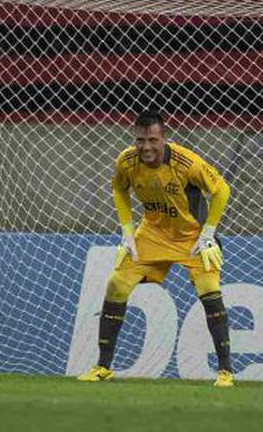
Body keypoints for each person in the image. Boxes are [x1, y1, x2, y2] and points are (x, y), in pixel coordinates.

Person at [77, 110, 233, 387]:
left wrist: (208, 234)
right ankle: (102, 367)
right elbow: (118, 189)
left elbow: (222, 190)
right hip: (152, 234)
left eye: (152, 140)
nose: (146, 147)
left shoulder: (187, 162)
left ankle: (225, 371)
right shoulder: (126, 161)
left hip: (192, 237)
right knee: (117, 284)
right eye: (140, 140)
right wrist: (127, 232)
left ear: (164, 138)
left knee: (210, 289)